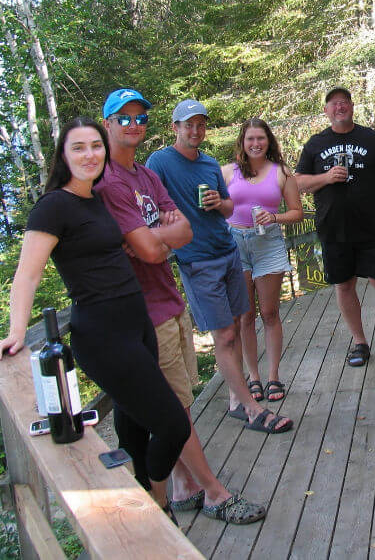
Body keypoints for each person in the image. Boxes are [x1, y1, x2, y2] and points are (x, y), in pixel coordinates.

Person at [0, 117, 191, 520]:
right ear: (63, 156)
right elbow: (27, 273)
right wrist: (17, 331)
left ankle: (143, 506)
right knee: (173, 425)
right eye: (79, 148)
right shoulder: (54, 206)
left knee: (135, 428)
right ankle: (158, 502)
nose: (90, 155)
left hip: (137, 322)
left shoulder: (96, 199)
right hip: (103, 336)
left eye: (96, 146)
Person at [97, 89, 265, 524]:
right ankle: (214, 491)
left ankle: (183, 484)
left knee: (174, 401)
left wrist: (158, 237)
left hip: (168, 298)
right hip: (141, 310)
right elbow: (151, 249)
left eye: (139, 117)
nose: (134, 125)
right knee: (174, 408)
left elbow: (180, 231)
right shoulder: (109, 181)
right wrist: (158, 238)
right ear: (108, 124)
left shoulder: (145, 177)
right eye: (124, 118)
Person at [146, 99, 292, 434]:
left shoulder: (210, 164)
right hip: (196, 259)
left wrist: (218, 202)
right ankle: (253, 409)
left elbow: (228, 210)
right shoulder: (160, 162)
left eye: (200, 125)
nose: (195, 131)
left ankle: (234, 398)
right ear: (175, 128)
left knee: (238, 325)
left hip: (227, 251)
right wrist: (162, 228)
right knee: (224, 333)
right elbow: (149, 203)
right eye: (188, 125)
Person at [295, 87, 375, 369]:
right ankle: (359, 343)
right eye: (334, 104)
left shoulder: (372, 139)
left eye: (344, 103)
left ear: (352, 107)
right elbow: (298, 183)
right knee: (344, 285)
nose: (340, 107)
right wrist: (326, 178)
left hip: (371, 228)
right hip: (332, 229)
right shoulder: (315, 144)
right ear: (326, 111)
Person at [221, 118, 303, 405]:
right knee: (245, 315)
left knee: (269, 312)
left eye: (261, 138)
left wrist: (275, 217)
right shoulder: (228, 172)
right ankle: (252, 377)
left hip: (268, 242)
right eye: (250, 139)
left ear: (269, 141)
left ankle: (273, 375)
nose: (255, 144)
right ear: (242, 143)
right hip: (235, 245)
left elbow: (297, 212)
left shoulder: (281, 171)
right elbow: (214, 207)